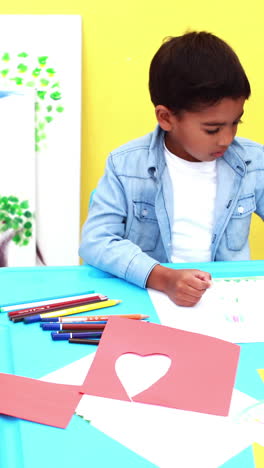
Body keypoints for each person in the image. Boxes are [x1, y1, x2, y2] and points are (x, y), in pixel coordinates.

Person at [79, 31, 264, 306]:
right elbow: (97, 241)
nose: (227, 138)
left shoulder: (253, 162)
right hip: (150, 296)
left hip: (226, 304)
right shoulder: (126, 165)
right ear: (166, 117)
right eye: (212, 129)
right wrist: (164, 278)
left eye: (236, 123)